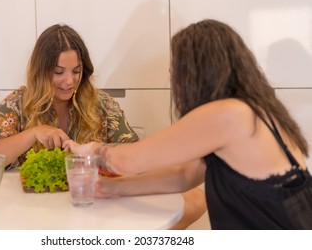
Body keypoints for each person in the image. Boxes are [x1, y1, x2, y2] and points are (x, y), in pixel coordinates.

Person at [63, 19, 312, 229]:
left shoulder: (227, 115)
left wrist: (91, 149)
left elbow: (128, 160)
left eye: (175, 73)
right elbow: (185, 175)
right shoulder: (251, 111)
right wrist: (114, 188)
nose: (174, 83)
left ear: (195, 74)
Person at [0, 23, 139, 170]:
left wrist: (98, 152)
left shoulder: (102, 104)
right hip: (31, 201)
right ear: (40, 72)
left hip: (89, 198)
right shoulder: (17, 104)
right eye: (58, 72)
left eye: (76, 71)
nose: (69, 81)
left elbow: (136, 155)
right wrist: (34, 133)